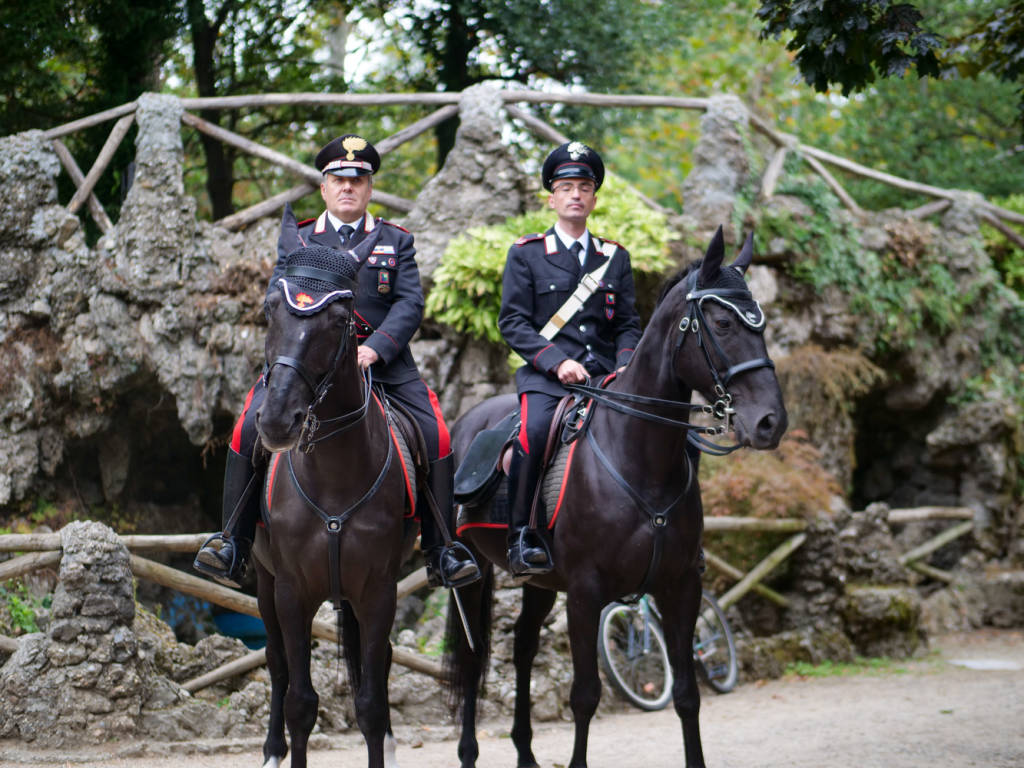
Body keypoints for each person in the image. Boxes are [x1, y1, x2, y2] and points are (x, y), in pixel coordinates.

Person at [194, 133, 479, 590]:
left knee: (436, 433)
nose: (348, 187)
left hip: (382, 366)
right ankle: (232, 541)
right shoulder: (301, 237)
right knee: (249, 427)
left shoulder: (395, 240)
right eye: (338, 179)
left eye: (358, 180)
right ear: (324, 187)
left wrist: (376, 348)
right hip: (308, 364)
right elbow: (276, 294)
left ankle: (440, 548)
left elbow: (409, 304)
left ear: (369, 189)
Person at [498, 141, 643, 575]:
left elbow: (628, 324)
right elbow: (513, 322)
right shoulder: (526, 254)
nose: (575, 194)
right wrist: (557, 361)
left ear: (594, 199)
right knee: (535, 432)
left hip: (605, 378)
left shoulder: (614, 257)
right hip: (547, 379)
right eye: (566, 188)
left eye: (584, 187)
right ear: (552, 199)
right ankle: (521, 536)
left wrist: (624, 365)